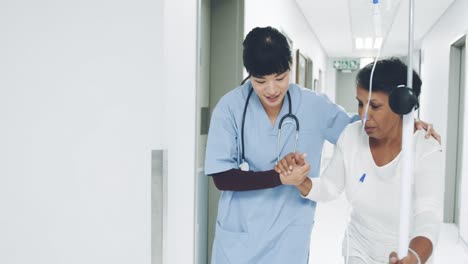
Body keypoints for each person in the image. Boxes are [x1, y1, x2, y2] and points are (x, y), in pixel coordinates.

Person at [205, 26, 438, 263]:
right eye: (260, 81)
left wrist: (404, 121)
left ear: (290, 68)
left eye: (280, 78)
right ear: (249, 74)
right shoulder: (230, 108)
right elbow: (222, 177)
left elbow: (358, 129)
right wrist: (280, 178)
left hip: (289, 236)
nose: (272, 89)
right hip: (240, 236)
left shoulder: (313, 105)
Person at [276, 58, 443, 264]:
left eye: (375, 105)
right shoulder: (351, 136)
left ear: (402, 106)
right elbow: (330, 187)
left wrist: (415, 257)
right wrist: (299, 179)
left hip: (407, 252)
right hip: (359, 249)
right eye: (360, 103)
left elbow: (429, 213)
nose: (363, 115)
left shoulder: (425, 147)